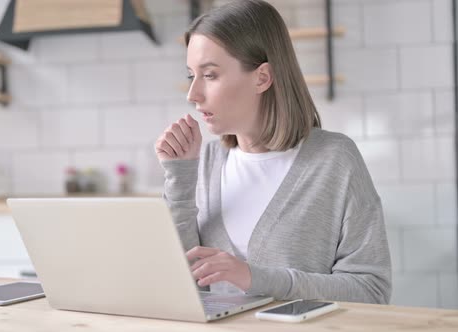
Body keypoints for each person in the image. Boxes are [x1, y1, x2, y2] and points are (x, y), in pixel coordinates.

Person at [154, 0, 391, 304]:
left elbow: (372, 291)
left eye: (210, 75)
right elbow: (177, 287)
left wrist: (255, 277)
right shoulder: (202, 164)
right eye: (191, 76)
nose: (193, 94)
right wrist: (179, 180)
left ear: (262, 77)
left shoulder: (334, 159)